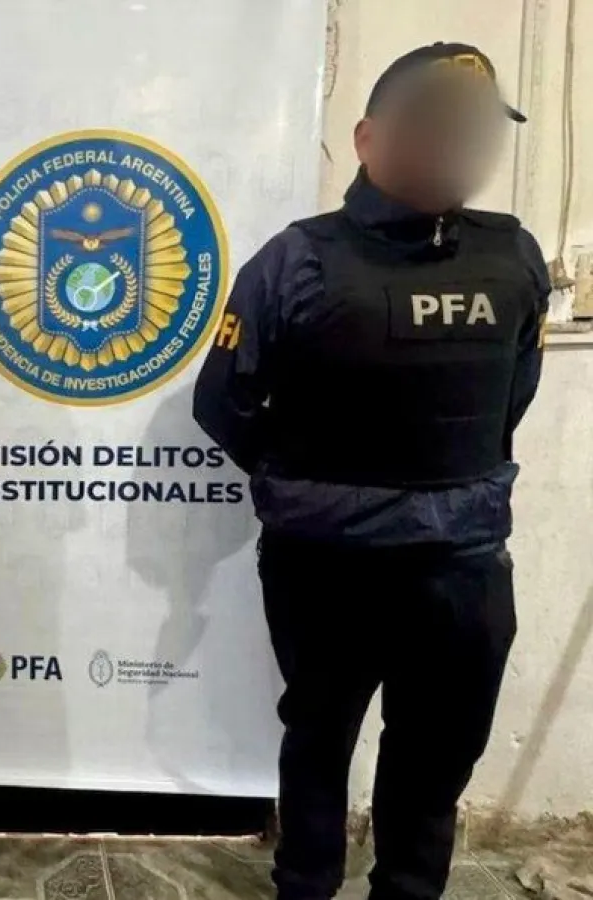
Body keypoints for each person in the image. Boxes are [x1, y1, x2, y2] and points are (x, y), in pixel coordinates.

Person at [193, 44, 547, 900]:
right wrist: (301, 485)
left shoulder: (513, 256)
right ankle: (306, 885)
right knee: (319, 736)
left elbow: (513, 394)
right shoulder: (297, 259)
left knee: (438, 750)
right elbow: (223, 401)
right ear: (367, 139)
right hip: (329, 562)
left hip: (461, 559)